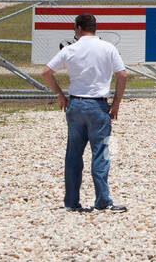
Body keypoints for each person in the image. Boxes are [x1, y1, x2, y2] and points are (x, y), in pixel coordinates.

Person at [41, 13, 128, 213]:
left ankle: (71, 201)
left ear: (78, 29)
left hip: (76, 105)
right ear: (95, 28)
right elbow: (122, 75)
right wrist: (116, 103)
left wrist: (60, 96)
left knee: (73, 155)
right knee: (101, 153)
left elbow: (46, 72)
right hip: (98, 106)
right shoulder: (108, 48)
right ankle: (102, 200)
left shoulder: (71, 49)